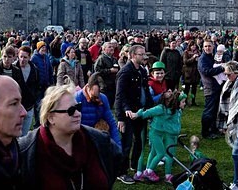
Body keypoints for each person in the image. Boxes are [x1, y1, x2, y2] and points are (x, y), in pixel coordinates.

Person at [17, 84, 124, 189]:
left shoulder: (98, 140)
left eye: (78, 107)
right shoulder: (26, 151)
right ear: (50, 118)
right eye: (71, 110)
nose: (77, 113)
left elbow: (115, 161)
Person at [115, 45, 154, 185]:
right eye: (140, 54)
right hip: (128, 114)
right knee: (127, 143)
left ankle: (135, 165)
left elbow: (146, 91)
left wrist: (150, 110)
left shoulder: (142, 71)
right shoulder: (125, 72)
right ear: (132, 56)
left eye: (144, 54)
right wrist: (121, 116)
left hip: (140, 112)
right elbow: (120, 95)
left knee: (139, 140)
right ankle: (122, 172)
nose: (144, 57)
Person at [128, 90, 186, 184]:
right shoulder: (161, 108)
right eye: (182, 101)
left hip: (162, 134)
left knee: (155, 152)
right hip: (155, 134)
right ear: (167, 101)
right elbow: (148, 112)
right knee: (160, 153)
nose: (173, 101)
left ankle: (152, 171)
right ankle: (148, 171)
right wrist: (138, 114)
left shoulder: (171, 110)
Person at [220, 62, 238, 190]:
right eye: (225, 74)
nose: (226, 77)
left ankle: (237, 183)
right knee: (237, 154)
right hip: (231, 122)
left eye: (228, 74)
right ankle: (237, 181)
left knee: (236, 154)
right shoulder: (228, 84)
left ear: (237, 73)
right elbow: (224, 105)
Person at [75, 76, 121, 147]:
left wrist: (118, 146)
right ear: (88, 87)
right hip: (80, 141)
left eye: (98, 96)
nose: (97, 99)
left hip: (96, 140)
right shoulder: (76, 99)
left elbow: (112, 123)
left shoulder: (103, 98)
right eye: (94, 96)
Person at [198, 40, 225, 139]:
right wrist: (222, 68)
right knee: (208, 111)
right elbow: (206, 71)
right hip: (209, 88)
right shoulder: (202, 59)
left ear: (213, 46)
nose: (207, 48)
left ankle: (213, 129)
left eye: (209, 46)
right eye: (205, 46)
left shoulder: (212, 56)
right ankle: (205, 132)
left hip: (216, 87)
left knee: (214, 110)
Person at [15, 46, 39, 135]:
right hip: (15, 106)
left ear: (29, 57)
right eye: (21, 56)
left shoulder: (34, 69)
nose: (22, 59)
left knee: (24, 134)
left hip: (29, 106)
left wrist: (33, 98)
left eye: (25, 57)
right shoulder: (13, 68)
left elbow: (37, 85)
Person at [93, 41, 120, 106]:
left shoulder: (114, 59)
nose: (112, 48)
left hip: (113, 84)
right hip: (104, 85)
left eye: (112, 47)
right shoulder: (101, 59)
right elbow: (97, 71)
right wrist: (109, 71)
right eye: (109, 47)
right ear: (104, 49)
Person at [182, 41, 200, 106]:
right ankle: (185, 101)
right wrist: (193, 58)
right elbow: (185, 62)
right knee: (187, 88)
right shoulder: (186, 52)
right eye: (192, 45)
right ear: (189, 46)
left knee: (194, 89)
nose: (194, 47)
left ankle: (193, 101)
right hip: (188, 73)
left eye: (195, 45)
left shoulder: (198, 52)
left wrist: (198, 59)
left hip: (195, 73)